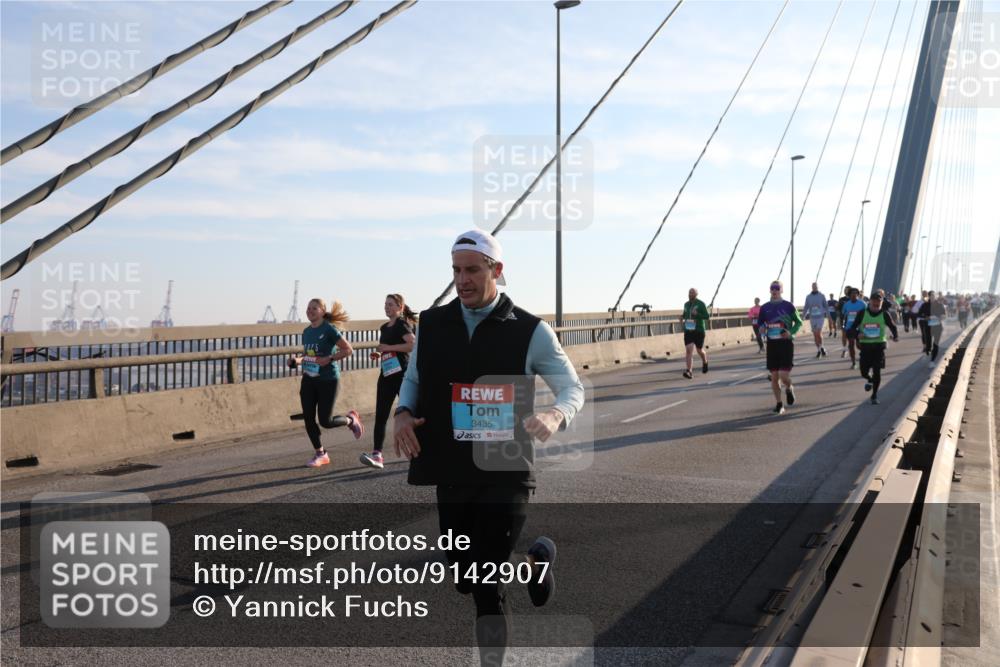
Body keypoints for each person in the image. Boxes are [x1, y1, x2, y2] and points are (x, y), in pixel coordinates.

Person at [393, 230, 585, 666]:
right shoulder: (434, 323)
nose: (463, 280)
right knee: (464, 575)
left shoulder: (531, 331)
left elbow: (572, 388)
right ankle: (536, 558)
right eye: (456, 271)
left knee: (485, 585)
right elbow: (414, 378)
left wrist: (556, 415)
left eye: (473, 270)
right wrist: (402, 412)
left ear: (497, 271)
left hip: (505, 468)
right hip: (452, 466)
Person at [288, 299, 364, 467]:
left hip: (328, 380)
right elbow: (309, 355)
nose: (310, 311)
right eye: (308, 308)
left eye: (314, 308)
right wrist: (297, 360)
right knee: (308, 417)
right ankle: (321, 453)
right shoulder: (306, 331)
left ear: (322, 311)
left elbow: (348, 350)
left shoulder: (329, 329)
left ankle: (351, 420)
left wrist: (329, 358)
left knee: (326, 421)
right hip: (309, 379)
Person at [360, 294, 417, 470]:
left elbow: (412, 345)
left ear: (400, 307)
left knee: (410, 415)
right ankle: (377, 454)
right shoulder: (384, 327)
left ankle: (420, 450)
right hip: (386, 374)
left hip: (402, 375)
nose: (387, 307)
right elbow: (386, 348)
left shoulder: (402, 324)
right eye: (385, 304)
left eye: (390, 304)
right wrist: (379, 353)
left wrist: (389, 348)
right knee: (381, 416)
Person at [757, 280, 802, 415]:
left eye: (777, 288)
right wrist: (762, 329)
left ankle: (789, 387)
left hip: (785, 344)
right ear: (770, 290)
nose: (775, 290)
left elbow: (798, 322)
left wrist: (791, 332)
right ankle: (779, 404)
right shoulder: (764, 308)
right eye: (772, 288)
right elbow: (760, 324)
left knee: (783, 375)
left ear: (782, 290)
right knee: (774, 376)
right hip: (772, 344)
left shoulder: (788, 306)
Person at [846, 290, 898, 405]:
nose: (876, 305)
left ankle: (874, 395)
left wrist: (895, 336)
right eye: (874, 303)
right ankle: (869, 379)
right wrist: (857, 334)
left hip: (879, 348)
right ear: (869, 302)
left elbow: (893, 327)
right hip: (865, 348)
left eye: (878, 303)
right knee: (863, 372)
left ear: (881, 303)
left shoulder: (885, 314)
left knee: (877, 372)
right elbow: (851, 329)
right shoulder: (862, 313)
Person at [681, 288, 710, 378]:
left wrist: (697, 314)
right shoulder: (686, 304)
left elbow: (707, 316)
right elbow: (685, 314)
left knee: (699, 350)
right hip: (689, 328)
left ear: (696, 294)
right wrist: (681, 317)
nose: (690, 294)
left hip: (699, 329)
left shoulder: (701, 304)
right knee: (689, 350)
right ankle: (689, 371)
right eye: (689, 293)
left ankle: (705, 361)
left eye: (692, 293)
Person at [918, 290, 946, 365]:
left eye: (934, 295)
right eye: (931, 295)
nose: (933, 297)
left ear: (936, 296)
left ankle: (932, 361)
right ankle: (928, 351)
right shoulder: (925, 305)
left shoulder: (940, 305)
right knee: (928, 346)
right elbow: (919, 314)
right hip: (928, 327)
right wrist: (926, 317)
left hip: (938, 327)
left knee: (936, 344)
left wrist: (940, 317)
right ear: (929, 296)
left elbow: (944, 315)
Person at [841, 288, 866, 369]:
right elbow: (843, 315)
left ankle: (865, 357)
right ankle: (854, 362)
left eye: (855, 293)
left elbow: (867, 315)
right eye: (852, 293)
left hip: (860, 328)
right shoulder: (846, 304)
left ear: (858, 295)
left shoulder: (862, 304)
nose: (854, 295)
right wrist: (843, 326)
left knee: (859, 346)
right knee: (851, 345)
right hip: (850, 328)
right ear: (849, 295)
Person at [803, 282, 828, 358]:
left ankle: (819, 350)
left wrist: (829, 316)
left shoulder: (822, 296)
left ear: (818, 287)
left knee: (818, 333)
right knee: (815, 335)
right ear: (812, 287)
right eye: (813, 286)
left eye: (816, 286)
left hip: (820, 318)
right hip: (812, 318)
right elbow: (806, 307)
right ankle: (820, 348)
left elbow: (826, 306)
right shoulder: (808, 297)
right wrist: (803, 316)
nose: (814, 287)